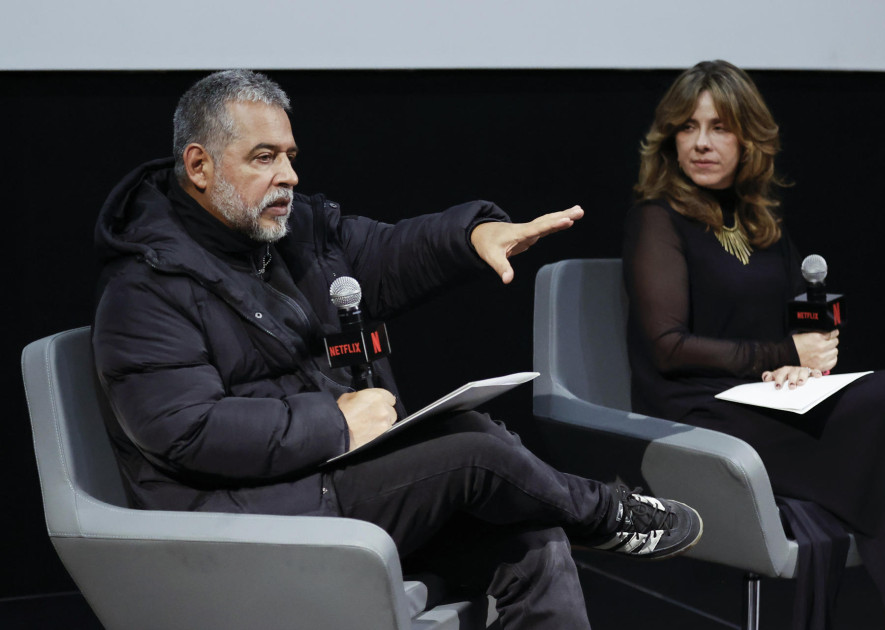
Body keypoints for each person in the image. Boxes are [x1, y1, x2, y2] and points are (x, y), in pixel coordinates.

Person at [92, 69, 703, 630]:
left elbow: (390, 251)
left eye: (290, 156)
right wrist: (331, 423)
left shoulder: (290, 232)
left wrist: (474, 233)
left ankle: (578, 516)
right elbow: (185, 429)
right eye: (264, 157)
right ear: (199, 166)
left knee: (533, 538)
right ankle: (603, 514)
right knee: (473, 453)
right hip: (241, 515)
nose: (289, 175)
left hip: (320, 478)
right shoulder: (144, 287)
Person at [622, 59, 885, 629]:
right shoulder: (658, 218)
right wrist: (781, 358)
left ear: (749, 138)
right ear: (669, 136)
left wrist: (801, 370)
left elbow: (799, 327)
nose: (701, 143)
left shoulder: (761, 222)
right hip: (699, 417)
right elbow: (669, 348)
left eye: (720, 127)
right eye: (688, 127)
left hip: (766, 402)